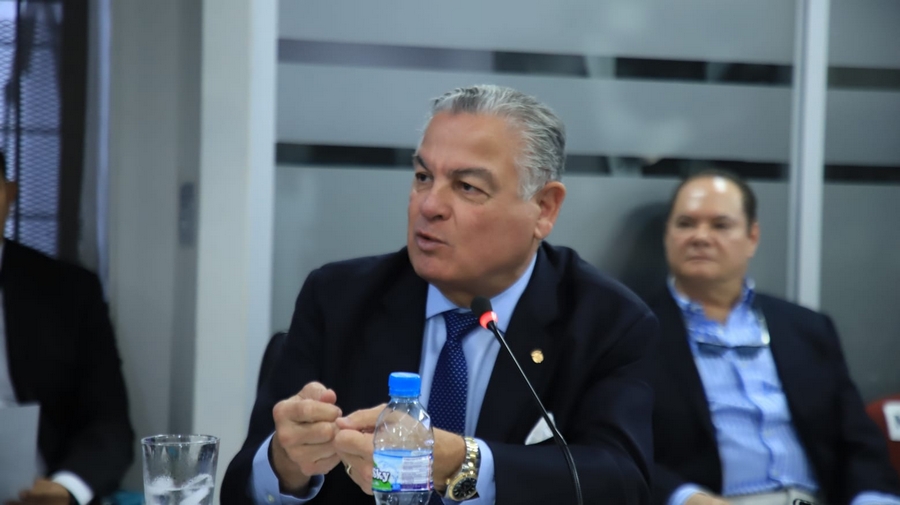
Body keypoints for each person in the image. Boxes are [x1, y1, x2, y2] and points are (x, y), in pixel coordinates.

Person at [222, 85, 659, 504]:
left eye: (467, 187)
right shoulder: (337, 299)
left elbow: (621, 483)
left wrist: (461, 463)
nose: (429, 205)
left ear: (544, 208)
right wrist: (286, 464)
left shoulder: (609, 321)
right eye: (423, 177)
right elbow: (242, 486)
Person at [647, 170, 900, 505]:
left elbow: (859, 444)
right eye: (686, 224)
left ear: (752, 237)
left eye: (720, 225)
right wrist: (684, 498)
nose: (701, 237)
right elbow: (618, 449)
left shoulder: (805, 328)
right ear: (667, 234)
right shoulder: (635, 332)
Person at [0, 158, 134, 504]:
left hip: (34, 492)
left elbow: (109, 424)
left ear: (10, 193)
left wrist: (67, 488)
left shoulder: (69, 292)